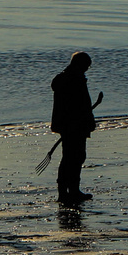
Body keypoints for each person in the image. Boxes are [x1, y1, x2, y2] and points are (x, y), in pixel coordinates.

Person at [50, 51, 101, 204]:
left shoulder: (70, 78)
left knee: (75, 157)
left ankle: (71, 190)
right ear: (79, 64)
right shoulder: (72, 79)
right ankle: (65, 192)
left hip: (72, 124)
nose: (87, 68)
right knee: (72, 158)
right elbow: (75, 106)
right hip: (73, 125)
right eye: (86, 65)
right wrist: (80, 120)